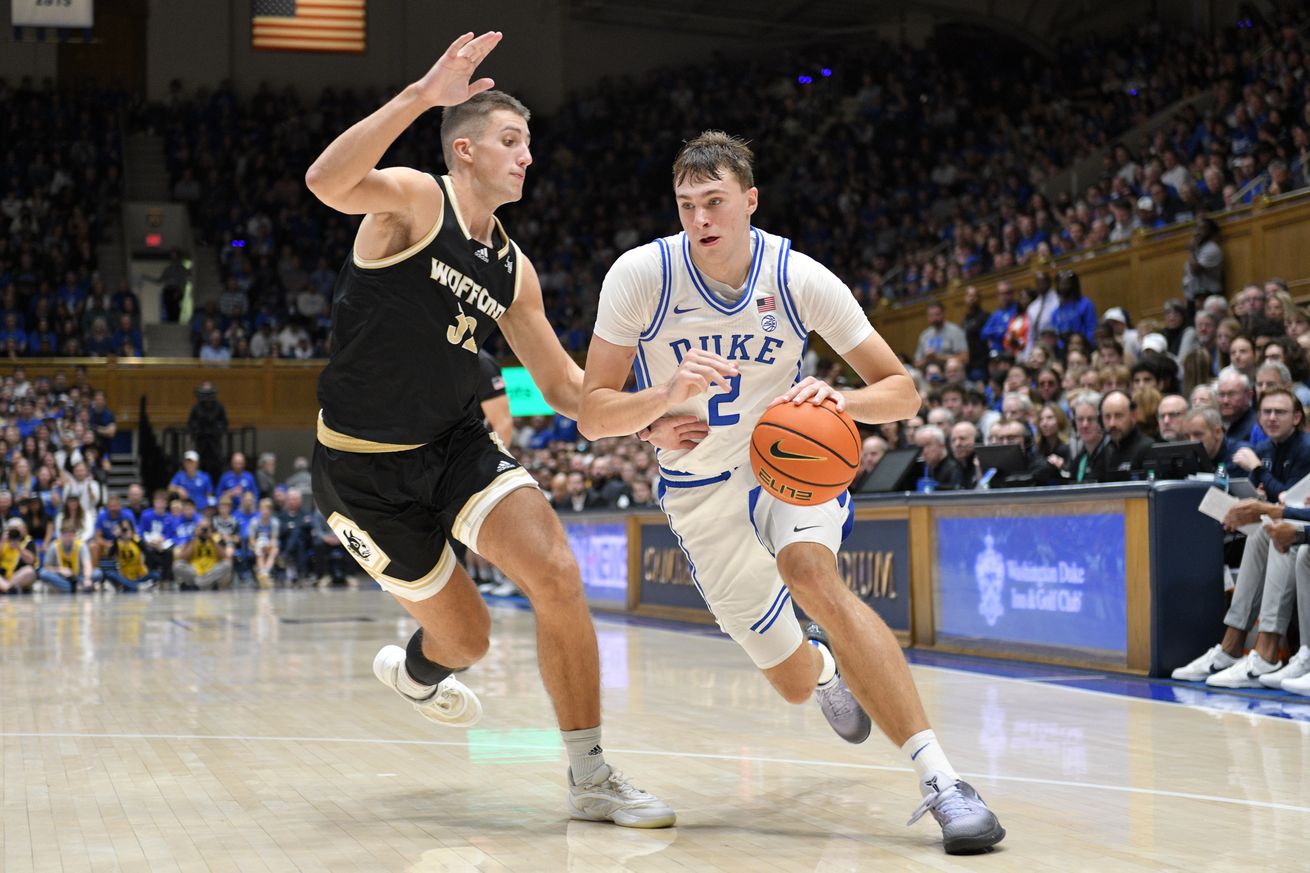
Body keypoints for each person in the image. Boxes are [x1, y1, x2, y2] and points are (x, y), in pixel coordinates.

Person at [577, 131, 1004, 853]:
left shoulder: (797, 275)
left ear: (749, 201)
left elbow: (904, 390)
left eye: (714, 202)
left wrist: (839, 398)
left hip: (787, 464)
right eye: (687, 205)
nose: (700, 218)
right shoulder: (640, 276)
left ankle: (943, 781)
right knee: (793, 683)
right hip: (698, 490)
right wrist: (658, 406)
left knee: (810, 572)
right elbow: (591, 412)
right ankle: (827, 666)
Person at [303, 31, 673, 827]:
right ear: (463, 149)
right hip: (360, 473)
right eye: (512, 141)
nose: (527, 156)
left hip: (456, 446)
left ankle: (591, 775)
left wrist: (654, 406)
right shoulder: (412, 200)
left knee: (559, 574)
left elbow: (571, 393)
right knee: (466, 641)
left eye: (530, 144)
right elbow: (326, 180)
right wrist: (419, 96)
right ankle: (417, 671)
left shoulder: (514, 268)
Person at [1092, 390, 1154, 480]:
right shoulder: (1104, 451)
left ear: (1133, 415)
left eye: (1118, 416)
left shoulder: (1148, 449)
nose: (1112, 423)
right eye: (1107, 417)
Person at [173, 518, 233, 590]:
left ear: (210, 529)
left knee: (227, 564)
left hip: (211, 571)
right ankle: (206, 584)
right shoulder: (191, 539)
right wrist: (195, 538)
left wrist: (211, 539)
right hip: (195, 571)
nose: (204, 531)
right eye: (201, 528)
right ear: (197, 528)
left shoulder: (216, 538)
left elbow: (223, 556)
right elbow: (184, 557)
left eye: (206, 528)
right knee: (177, 565)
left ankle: (198, 584)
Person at [187, 382, 229, 482]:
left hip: (214, 442)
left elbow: (224, 424)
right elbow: (191, 424)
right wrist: (196, 430)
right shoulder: (196, 408)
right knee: (200, 464)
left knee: (216, 465)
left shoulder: (219, 407)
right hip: (201, 441)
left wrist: (216, 429)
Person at [38, 522, 93, 594]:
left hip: (78, 575)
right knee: (43, 573)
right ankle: (74, 587)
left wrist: (87, 579)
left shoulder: (81, 546)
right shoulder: (54, 546)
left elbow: (87, 564)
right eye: (65, 535)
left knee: (98, 574)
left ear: (74, 535)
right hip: (61, 577)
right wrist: (59, 570)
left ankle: (70, 587)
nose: (67, 538)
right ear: (60, 535)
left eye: (70, 535)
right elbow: (46, 566)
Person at [0, 518, 37, 593]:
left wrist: (19, 548)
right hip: (2, 577)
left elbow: (31, 561)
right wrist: (2, 542)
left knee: (29, 571)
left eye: (18, 528)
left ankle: (6, 588)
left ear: (24, 529)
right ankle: (9, 589)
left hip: (17, 576)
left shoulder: (28, 541)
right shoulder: (3, 540)